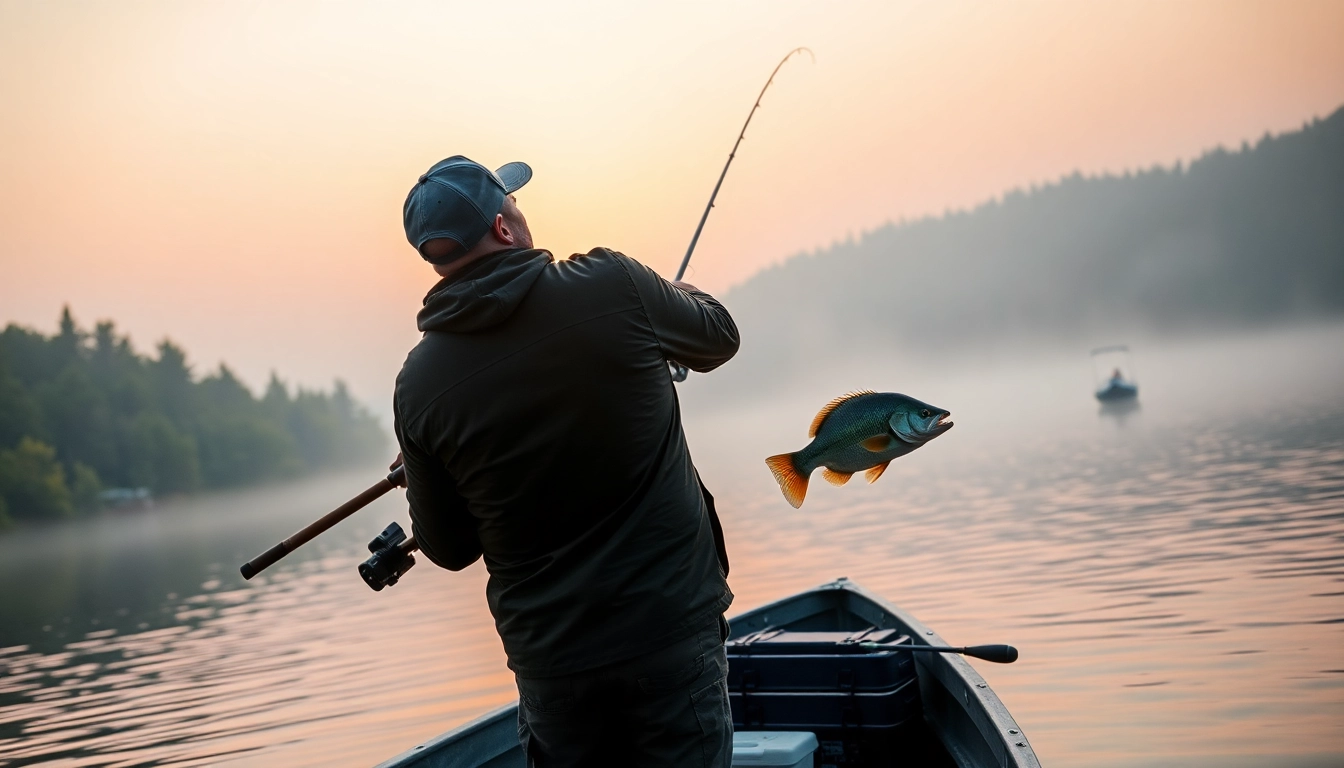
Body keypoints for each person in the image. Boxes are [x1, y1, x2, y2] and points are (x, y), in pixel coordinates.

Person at [392, 155, 739, 767]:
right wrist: (669, 299)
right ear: (504, 227)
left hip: (554, 669)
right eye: (515, 203)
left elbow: (449, 549)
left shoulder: (419, 386)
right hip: (669, 634)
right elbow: (718, 337)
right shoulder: (612, 285)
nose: (523, 213)